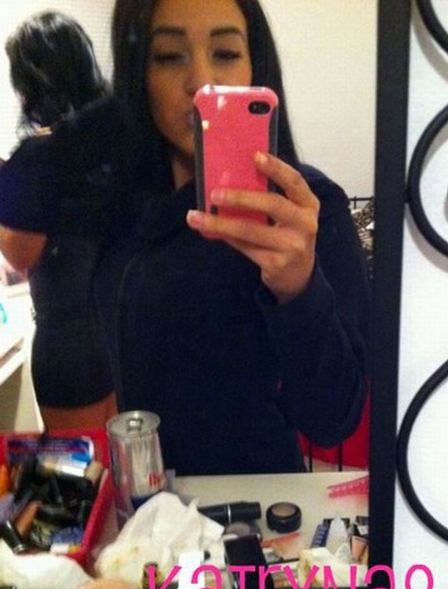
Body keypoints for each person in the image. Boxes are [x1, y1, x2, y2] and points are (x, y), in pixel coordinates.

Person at [2, 0, 370, 476]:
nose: (201, 82)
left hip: (258, 500)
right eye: (168, 57)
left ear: (256, 68)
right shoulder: (122, 203)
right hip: (147, 497)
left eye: (225, 53)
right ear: (139, 72)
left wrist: (300, 290)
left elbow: (334, 419)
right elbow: (19, 191)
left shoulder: (305, 210)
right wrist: (113, 116)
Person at [0, 11, 118, 429]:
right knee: (128, 454)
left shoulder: (37, 158)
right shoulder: (116, 146)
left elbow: (20, 254)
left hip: (69, 347)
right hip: (121, 336)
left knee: (85, 463)